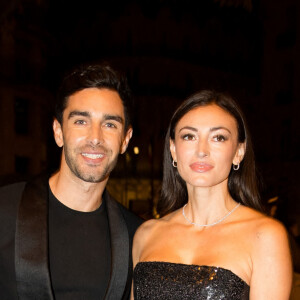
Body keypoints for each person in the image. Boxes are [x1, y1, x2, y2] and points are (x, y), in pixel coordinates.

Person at [0, 63, 143, 299]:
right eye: (81, 121)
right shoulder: (4, 209)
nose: (95, 138)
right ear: (58, 131)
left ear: (125, 140)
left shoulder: (135, 236)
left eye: (109, 124)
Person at [132, 90, 292, 299]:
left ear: (239, 152)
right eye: (189, 136)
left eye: (218, 137)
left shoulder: (265, 236)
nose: (202, 150)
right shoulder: (146, 234)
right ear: (173, 149)